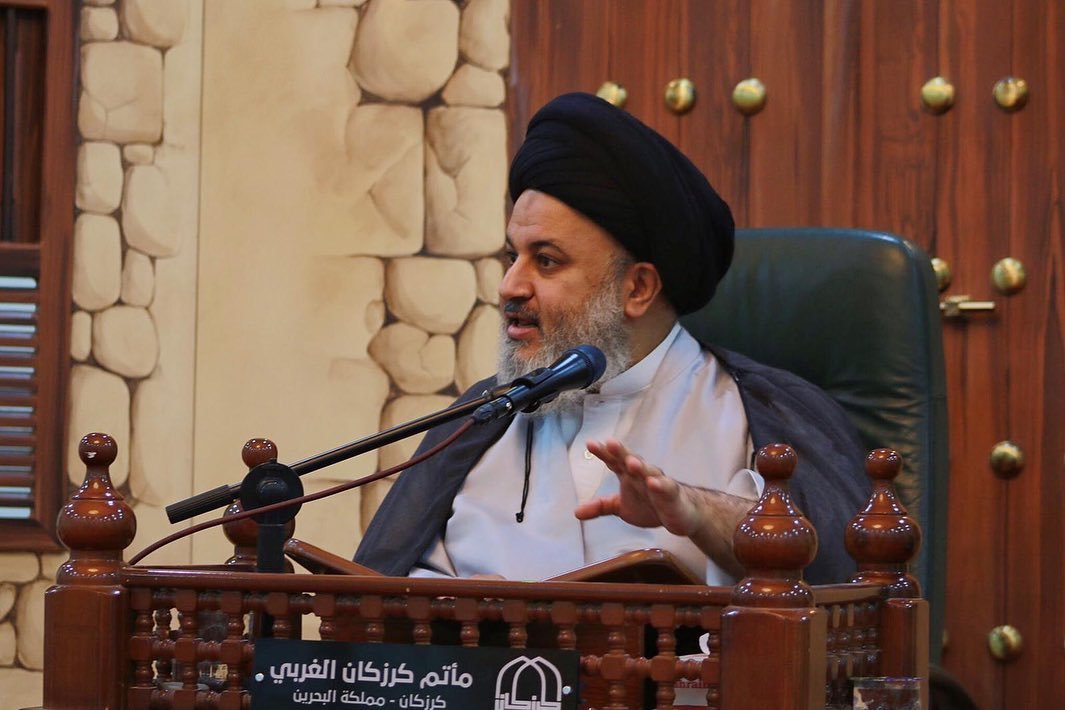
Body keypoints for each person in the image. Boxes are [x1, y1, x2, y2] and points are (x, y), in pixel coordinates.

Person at [356, 92, 870, 585]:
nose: (509, 285)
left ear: (638, 288)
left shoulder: (760, 416)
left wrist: (696, 511)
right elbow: (384, 604)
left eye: (546, 261)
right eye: (513, 256)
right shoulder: (479, 423)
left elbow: (837, 580)